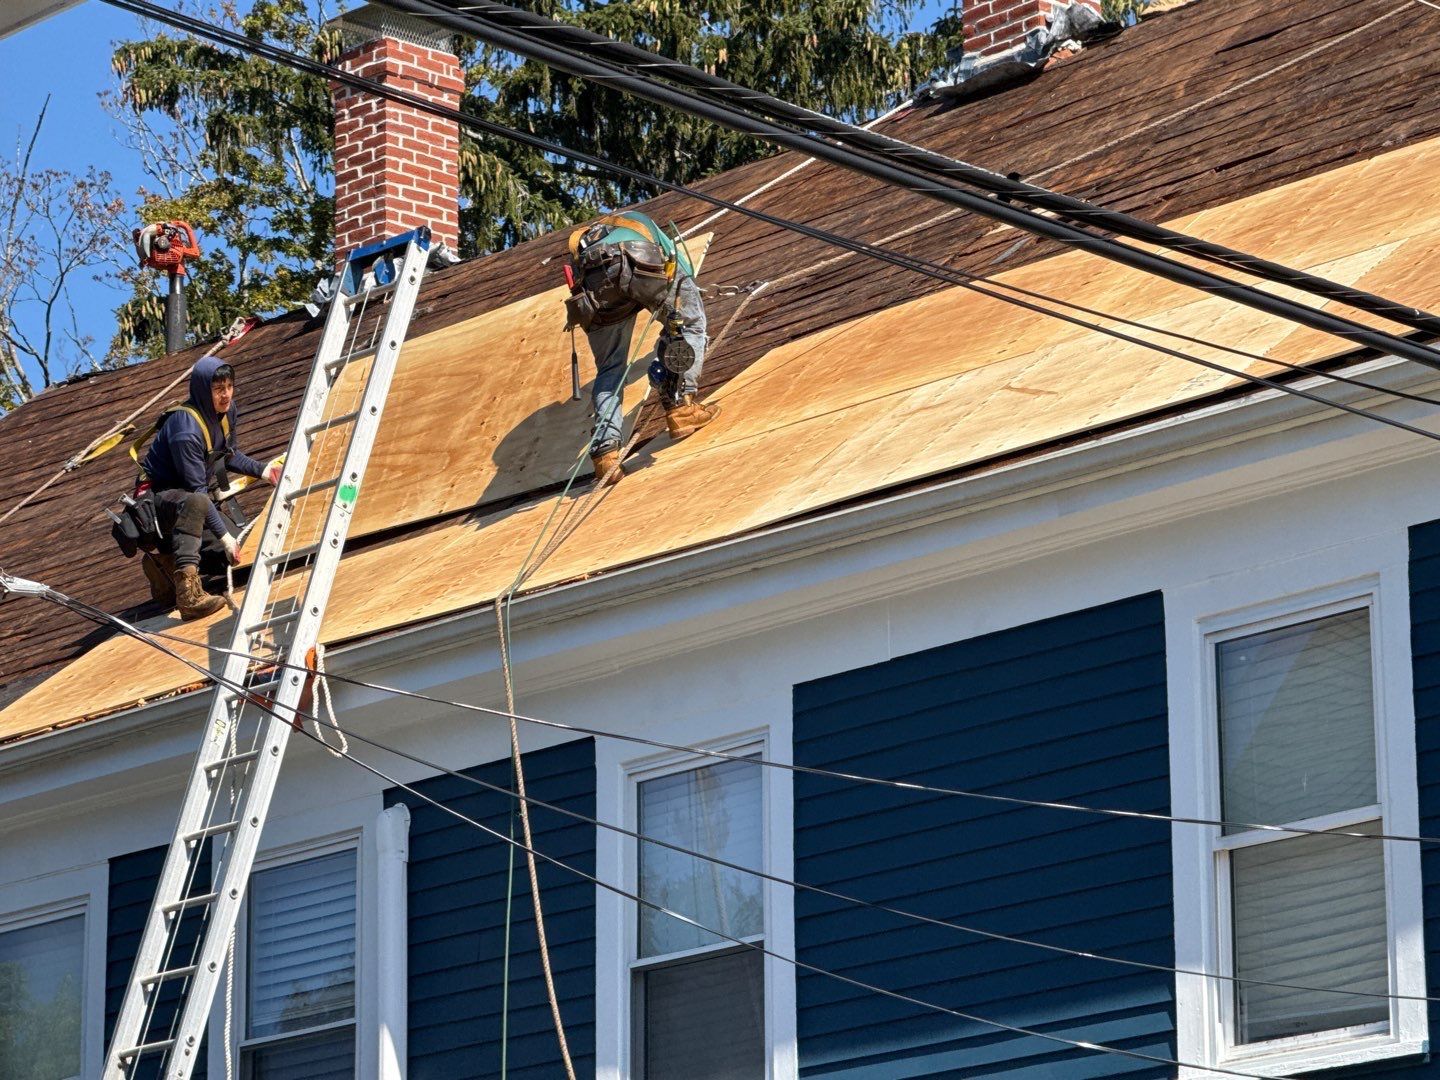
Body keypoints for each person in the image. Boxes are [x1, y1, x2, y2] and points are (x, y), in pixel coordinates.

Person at [564, 211, 719, 485]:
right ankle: (682, 408)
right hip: (637, 259)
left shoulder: (582, 243)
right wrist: (686, 300)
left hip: (594, 285)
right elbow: (681, 273)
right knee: (688, 326)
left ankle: (606, 453)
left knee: (610, 367)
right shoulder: (642, 223)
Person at [137, 357, 280, 619]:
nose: (226, 395)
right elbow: (198, 493)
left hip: (192, 503)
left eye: (229, 386)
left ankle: (165, 564)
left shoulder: (226, 412)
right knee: (209, 519)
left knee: (241, 553)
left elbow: (228, 455)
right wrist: (224, 538)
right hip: (161, 504)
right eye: (218, 389)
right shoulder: (186, 430)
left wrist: (264, 470)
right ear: (204, 390)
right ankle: (188, 597)